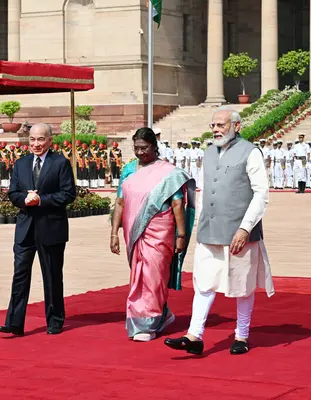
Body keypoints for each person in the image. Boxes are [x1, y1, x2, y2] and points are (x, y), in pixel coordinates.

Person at [164, 107, 274, 356]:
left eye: (221, 125)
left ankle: (242, 335)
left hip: (239, 231)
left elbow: (261, 194)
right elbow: (203, 190)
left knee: (242, 283)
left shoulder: (250, 152)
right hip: (210, 229)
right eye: (213, 125)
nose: (215, 129)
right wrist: (200, 221)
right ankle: (194, 335)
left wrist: (245, 228)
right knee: (204, 281)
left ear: (236, 126)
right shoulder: (209, 153)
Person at [110, 127, 196, 342]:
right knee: (138, 276)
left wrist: (181, 235)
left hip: (160, 232)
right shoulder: (129, 170)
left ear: (155, 147)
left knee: (154, 276)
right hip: (134, 233)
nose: (140, 153)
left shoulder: (168, 172)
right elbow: (120, 202)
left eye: (144, 148)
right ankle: (158, 315)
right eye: (136, 148)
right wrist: (114, 233)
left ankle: (150, 321)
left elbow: (177, 203)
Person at [0, 123, 76, 336]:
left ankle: (55, 320)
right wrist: (24, 199)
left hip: (51, 228)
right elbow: (13, 193)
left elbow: (68, 194)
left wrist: (41, 200)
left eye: (41, 139)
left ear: (50, 140)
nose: (36, 144)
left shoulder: (60, 163)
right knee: (20, 275)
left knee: (51, 276)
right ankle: (14, 322)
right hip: (25, 229)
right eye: (32, 139)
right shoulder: (21, 164)